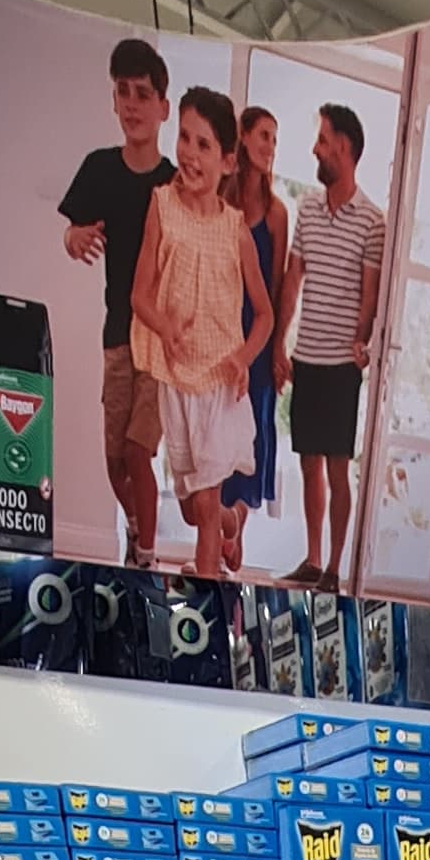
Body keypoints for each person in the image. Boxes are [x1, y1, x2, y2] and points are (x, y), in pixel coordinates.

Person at [130, 85, 274, 579]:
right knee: (194, 508)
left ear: (228, 162)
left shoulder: (236, 231)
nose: (189, 153)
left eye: (204, 145)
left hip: (220, 384)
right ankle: (232, 522)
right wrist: (164, 326)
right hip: (177, 380)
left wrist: (243, 358)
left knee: (206, 504)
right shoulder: (161, 207)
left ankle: (209, 600)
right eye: (185, 138)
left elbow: (265, 315)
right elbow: (139, 295)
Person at [59, 38, 176, 568]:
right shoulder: (100, 168)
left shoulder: (174, 184)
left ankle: (146, 557)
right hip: (116, 332)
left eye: (143, 94)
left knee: (137, 450)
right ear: (113, 100)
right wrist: (73, 237)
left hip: (158, 342)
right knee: (114, 459)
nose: (132, 104)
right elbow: (71, 232)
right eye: (123, 92)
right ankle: (134, 525)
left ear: (163, 107)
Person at [278, 101, 385, 585]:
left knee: (338, 469)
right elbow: (293, 278)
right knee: (308, 464)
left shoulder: (372, 221)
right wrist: (280, 343)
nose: (315, 149)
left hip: (342, 366)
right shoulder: (307, 209)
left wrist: (361, 342)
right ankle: (313, 559)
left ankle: (335, 569)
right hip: (306, 358)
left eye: (322, 140)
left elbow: (370, 294)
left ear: (343, 147)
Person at [220, 105, 291, 576]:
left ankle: (236, 527)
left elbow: (279, 286)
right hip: (221, 332)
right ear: (243, 137)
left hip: (259, 336)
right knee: (219, 429)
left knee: (254, 435)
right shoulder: (219, 201)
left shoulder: (278, 213)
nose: (270, 146)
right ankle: (219, 522)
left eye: (274, 139)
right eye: (264, 135)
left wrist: (278, 346)